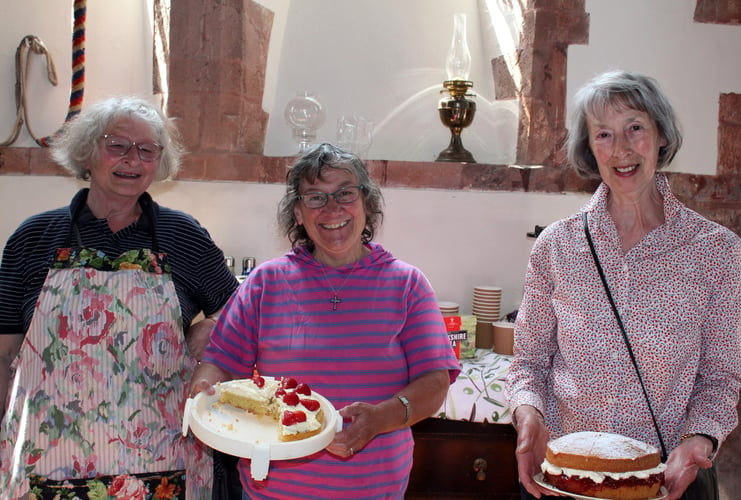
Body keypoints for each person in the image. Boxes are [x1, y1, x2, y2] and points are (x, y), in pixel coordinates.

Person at [505, 70, 741, 500]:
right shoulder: (557, 245)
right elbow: (529, 362)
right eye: (603, 134)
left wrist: (700, 440)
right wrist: (528, 414)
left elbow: (720, 379)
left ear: (661, 136)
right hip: (565, 479)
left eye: (635, 127)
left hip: (664, 479)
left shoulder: (715, 251)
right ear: (589, 147)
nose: (621, 149)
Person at [189, 142, 460, 499]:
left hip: (373, 488)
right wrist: (203, 392)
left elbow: (435, 382)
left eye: (345, 193)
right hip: (273, 488)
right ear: (298, 213)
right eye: (315, 197)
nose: (332, 208)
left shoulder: (407, 284)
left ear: (366, 202)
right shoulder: (265, 282)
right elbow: (220, 365)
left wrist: (381, 417)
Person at [0, 96, 240, 499]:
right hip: (46, 462)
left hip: (160, 466)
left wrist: (213, 326)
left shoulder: (183, 235)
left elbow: (244, 313)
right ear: (87, 153)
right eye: (117, 145)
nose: (133, 159)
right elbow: (4, 348)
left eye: (147, 150)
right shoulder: (33, 236)